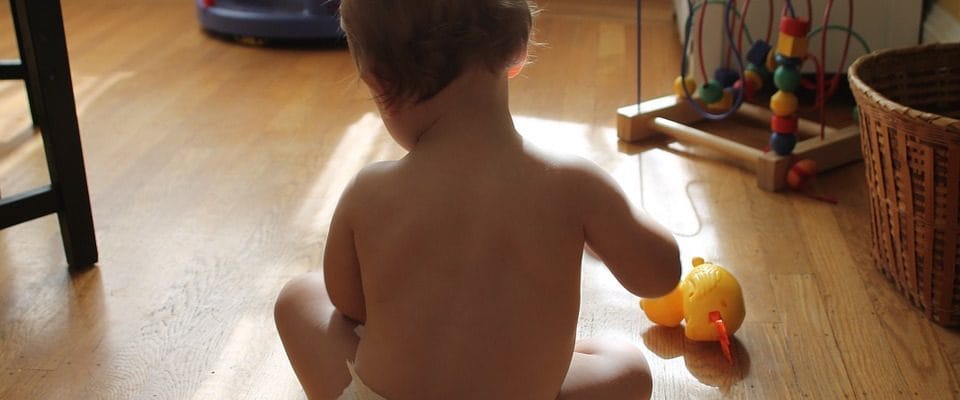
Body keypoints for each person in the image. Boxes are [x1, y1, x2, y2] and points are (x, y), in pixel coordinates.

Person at [274, 1, 681, 398]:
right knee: (627, 365)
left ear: (377, 83)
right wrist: (609, 217)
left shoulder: (367, 192)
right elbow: (660, 276)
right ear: (516, 51)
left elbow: (350, 308)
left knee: (299, 298)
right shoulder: (575, 184)